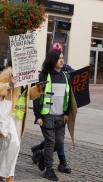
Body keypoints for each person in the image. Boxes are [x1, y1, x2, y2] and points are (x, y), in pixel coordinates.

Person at [0, 60, 45, 182]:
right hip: (8, 113)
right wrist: (9, 84)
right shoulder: (9, 73)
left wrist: (38, 89)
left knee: (8, 144)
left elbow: (29, 95)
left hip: (20, 115)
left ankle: (0, 172)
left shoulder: (28, 75)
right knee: (14, 143)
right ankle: (9, 174)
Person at [33, 47, 72, 181]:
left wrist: (67, 113)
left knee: (59, 142)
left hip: (61, 115)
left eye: (62, 58)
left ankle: (41, 154)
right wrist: (37, 116)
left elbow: (68, 96)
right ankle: (49, 170)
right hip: (47, 114)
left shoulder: (66, 75)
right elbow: (37, 96)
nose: (62, 60)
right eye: (59, 58)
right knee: (50, 142)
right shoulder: (44, 75)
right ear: (52, 59)